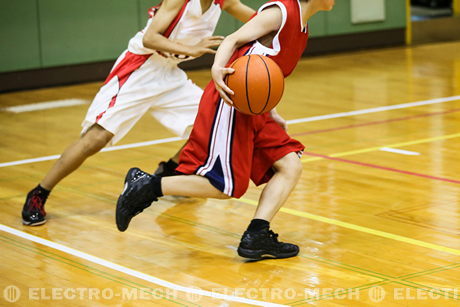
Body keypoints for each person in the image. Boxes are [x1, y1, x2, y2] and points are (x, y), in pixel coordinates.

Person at [115, 0, 335, 259]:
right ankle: (149, 186)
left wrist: (272, 110)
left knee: (290, 166)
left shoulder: (302, 25)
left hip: (254, 110)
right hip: (231, 103)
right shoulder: (280, 12)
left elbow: (267, 73)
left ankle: (257, 236)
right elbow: (232, 40)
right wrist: (218, 70)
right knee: (224, 186)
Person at [21, 0, 255, 226]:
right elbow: (150, 38)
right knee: (96, 138)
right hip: (140, 68)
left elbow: (257, 20)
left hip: (169, 73)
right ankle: (39, 193)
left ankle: (169, 169)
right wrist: (190, 49)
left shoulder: (224, 1)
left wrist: (283, 22)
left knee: (213, 123)